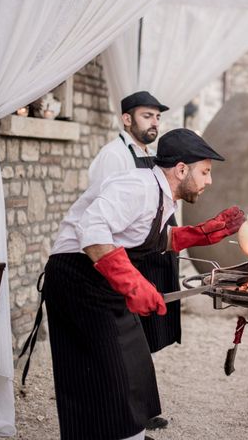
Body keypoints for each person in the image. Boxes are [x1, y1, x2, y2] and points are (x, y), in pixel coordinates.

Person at [32, 128, 244, 440]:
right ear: (181, 169)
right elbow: (92, 230)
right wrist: (133, 284)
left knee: (133, 366)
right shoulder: (138, 186)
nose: (209, 181)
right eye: (205, 172)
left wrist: (202, 233)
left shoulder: (160, 195)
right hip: (77, 279)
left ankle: (129, 434)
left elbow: (151, 237)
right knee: (108, 372)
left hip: (99, 276)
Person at [88, 91, 176, 432]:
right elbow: (100, 214)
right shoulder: (113, 156)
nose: (154, 122)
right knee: (122, 341)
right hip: (119, 257)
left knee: (143, 339)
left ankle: (140, 411)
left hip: (148, 251)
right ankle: (125, 417)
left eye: (157, 117)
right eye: (146, 116)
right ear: (127, 119)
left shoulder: (151, 155)